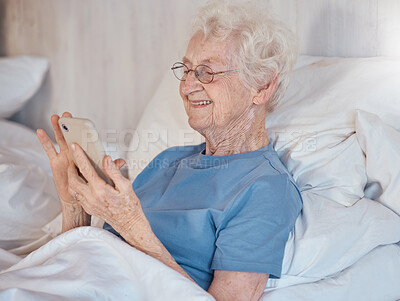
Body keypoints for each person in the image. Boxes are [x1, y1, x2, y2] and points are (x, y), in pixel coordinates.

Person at [37, 1, 302, 300]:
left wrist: (133, 228)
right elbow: (82, 261)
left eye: (206, 72)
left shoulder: (265, 188)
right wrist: (73, 206)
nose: (187, 86)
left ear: (262, 86)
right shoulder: (167, 160)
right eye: (186, 69)